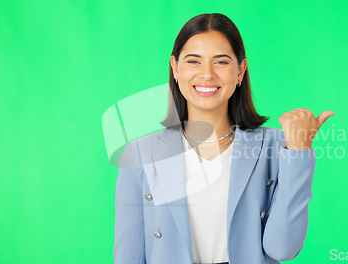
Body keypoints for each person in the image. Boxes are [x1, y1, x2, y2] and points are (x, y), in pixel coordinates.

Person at [113, 13, 334, 264]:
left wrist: (299, 151)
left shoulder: (276, 146)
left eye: (221, 62)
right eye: (193, 61)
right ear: (175, 68)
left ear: (240, 71)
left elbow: (282, 249)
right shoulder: (140, 153)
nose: (207, 74)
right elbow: (127, 255)